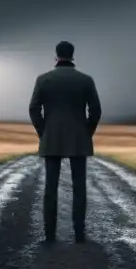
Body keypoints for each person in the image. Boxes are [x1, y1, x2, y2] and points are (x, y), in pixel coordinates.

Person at [28, 40, 102, 244]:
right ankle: (79, 236)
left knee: (50, 187)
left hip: (51, 137)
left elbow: (34, 109)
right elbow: (95, 110)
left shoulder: (43, 79)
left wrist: (44, 132)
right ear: (72, 56)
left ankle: (49, 236)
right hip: (79, 138)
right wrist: (86, 132)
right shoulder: (86, 80)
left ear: (56, 56)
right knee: (80, 187)